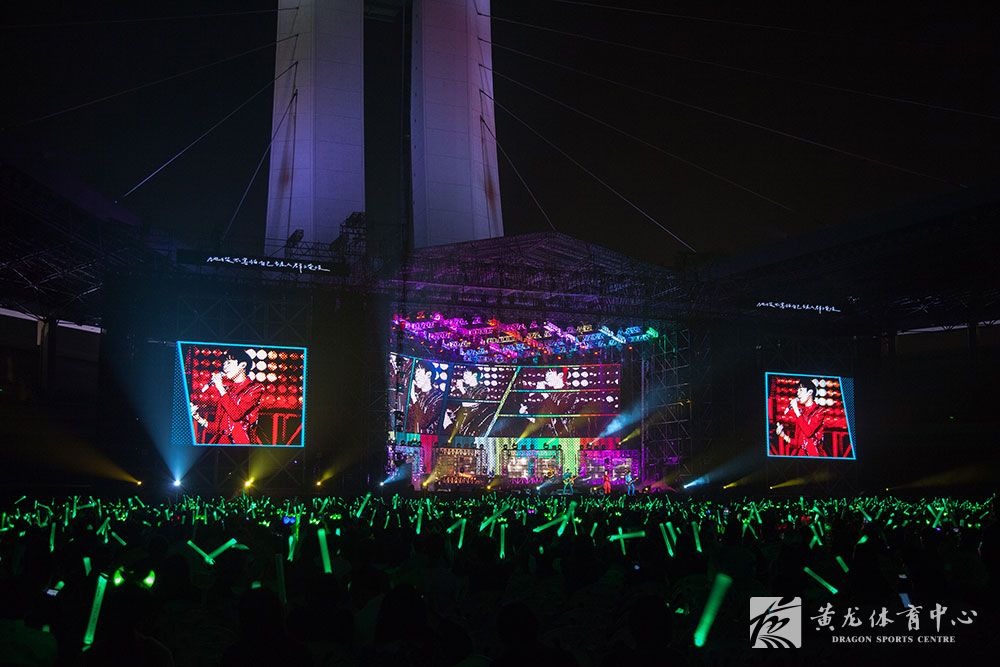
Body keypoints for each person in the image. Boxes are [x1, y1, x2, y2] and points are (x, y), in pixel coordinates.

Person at [189, 352, 264, 444]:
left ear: (242, 365)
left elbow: (236, 415)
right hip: (221, 444)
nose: (224, 367)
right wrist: (197, 417)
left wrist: (220, 388)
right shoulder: (227, 391)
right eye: (224, 364)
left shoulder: (255, 389)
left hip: (240, 444)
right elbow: (218, 427)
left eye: (229, 363)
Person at [775, 378, 827, 456]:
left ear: (810, 392)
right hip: (801, 457)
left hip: (814, 456)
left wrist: (796, 410)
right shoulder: (801, 413)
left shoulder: (819, 411)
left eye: (801, 390)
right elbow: (797, 443)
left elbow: (808, 433)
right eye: (798, 391)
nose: (798, 394)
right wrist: (783, 435)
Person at [407, 361, 445, 433]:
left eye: (418, 372)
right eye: (415, 373)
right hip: (412, 437)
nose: (416, 376)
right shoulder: (417, 395)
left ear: (428, 374)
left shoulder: (438, 397)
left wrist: (414, 398)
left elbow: (424, 423)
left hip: (429, 437)